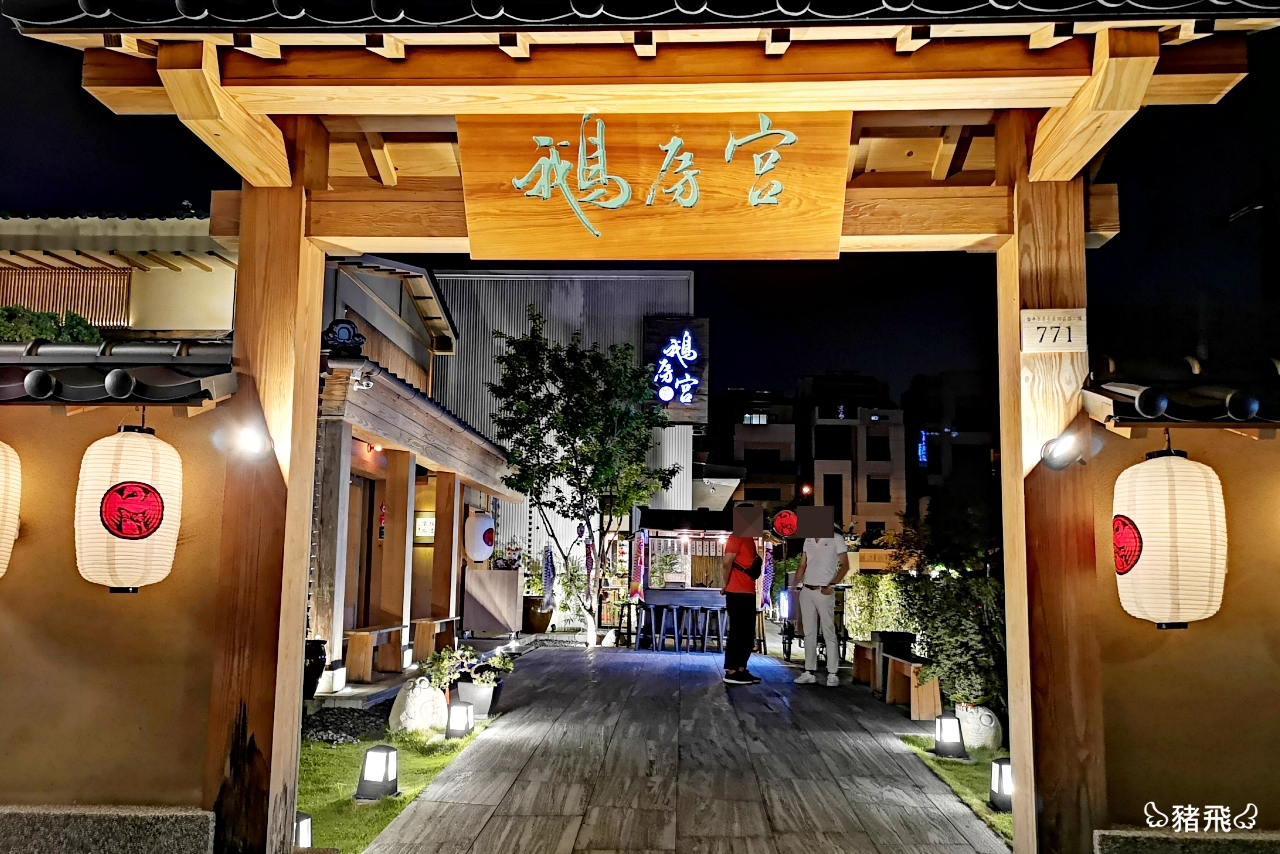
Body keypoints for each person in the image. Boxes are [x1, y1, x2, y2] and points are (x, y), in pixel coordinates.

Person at [791, 530, 852, 686]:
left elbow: (845, 566)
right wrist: (793, 586)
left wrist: (832, 585)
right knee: (808, 632)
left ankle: (832, 673)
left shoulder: (836, 538)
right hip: (807, 589)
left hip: (823, 590)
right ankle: (809, 671)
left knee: (828, 630)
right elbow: (802, 564)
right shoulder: (808, 539)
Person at [720, 529, 761, 685]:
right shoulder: (736, 536)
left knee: (748, 633)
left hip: (749, 590)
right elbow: (726, 562)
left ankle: (741, 669)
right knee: (738, 631)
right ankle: (731, 671)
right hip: (736, 591)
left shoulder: (749, 538)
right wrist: (725, 584)